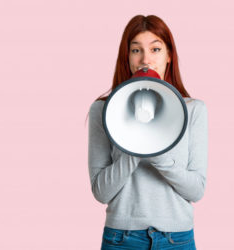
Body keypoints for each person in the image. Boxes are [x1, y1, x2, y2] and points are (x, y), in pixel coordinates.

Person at [88, 15, 208, 250]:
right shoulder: (103, 110)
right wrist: (134, 143)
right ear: (127, 57)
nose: (146, 59)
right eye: (136, 50)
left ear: (169, 56)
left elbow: (196, 190)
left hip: (177, 239)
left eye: (155, 49)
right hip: (121, 238)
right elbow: (101, 192)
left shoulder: (194, 110)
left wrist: (158, 150)